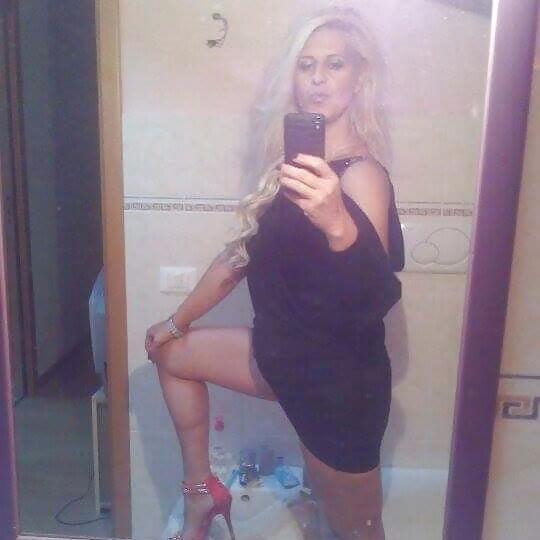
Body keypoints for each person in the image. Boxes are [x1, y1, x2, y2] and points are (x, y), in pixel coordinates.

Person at [145, 5, 404, 540]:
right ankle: (201, 494)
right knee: (170, 354)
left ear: (359, 79)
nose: (317, 78)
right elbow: (238, 258)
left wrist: (339, 224)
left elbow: (376, 295)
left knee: (357, 532)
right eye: (306, 65)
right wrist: (176, 322)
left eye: (334, 64)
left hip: (336, 386)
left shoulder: (362, 176)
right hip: (280, 357)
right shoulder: (290, 170)